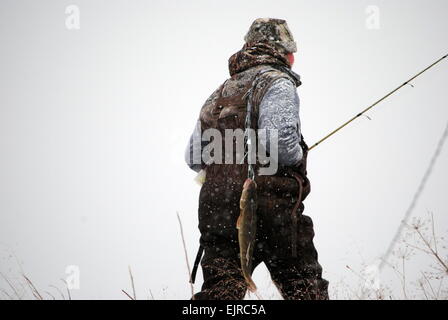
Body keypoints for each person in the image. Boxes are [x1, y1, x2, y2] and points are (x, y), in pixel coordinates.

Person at [185, 18, 329, 300]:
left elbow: (192, 157)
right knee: (304, 289)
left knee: (221, 293)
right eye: (291, 51)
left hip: (217, 210)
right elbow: (281, 146)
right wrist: (300, 152)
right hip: (272, 207)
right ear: (284, 52)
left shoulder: (219, 92)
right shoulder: (278, 82)